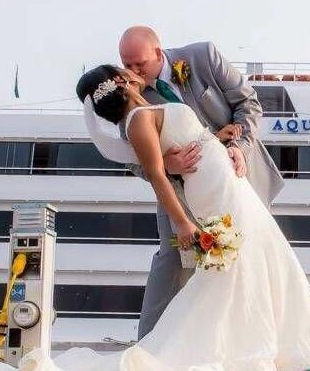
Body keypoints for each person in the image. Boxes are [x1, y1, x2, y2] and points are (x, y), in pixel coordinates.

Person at [0, 64, 310, 371]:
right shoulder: (137, 121)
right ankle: (239, 354)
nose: (131, 69)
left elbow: (185, 140)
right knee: (239, 268)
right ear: (122, 82)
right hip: (214, 192)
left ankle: (253, 350)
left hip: (228, 183)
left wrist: (216, 138)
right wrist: (182, 224)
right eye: (124, 68)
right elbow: (157, 176)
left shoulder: (147, 112)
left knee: (260, 257)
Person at [118, 26, 285, 340]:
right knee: (171, 260)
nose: (133, 71)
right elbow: (130, 157)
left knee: (252, 256)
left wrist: (240, 148)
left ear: (158, 53)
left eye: (140, 63)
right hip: (180, 189)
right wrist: (165, 165)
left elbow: (248, 103)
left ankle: (253, 339)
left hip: (237, 175)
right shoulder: (128, 95)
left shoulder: (204, 56)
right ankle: (148, 346)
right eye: (127, 64)